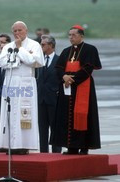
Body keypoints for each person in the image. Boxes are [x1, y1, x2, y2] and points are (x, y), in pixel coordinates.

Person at [50, 25, 102, 155]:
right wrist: (64, 76)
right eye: (69, 35)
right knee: (67, 117)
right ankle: (71, 147)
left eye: (74, 35)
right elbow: (58, 68)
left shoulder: (90, 49)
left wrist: (71, 80)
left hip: (82, 87)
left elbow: (88, 69)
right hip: (67, 90)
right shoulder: (66, 51)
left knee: (83, 116)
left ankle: (84, 146)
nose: (71, 37)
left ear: (81, 36)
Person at [0, 21, 44, 154]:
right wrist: (21, 58)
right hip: (11, 82)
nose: (17, 33)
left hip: (26, 83)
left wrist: (20, 50)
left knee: (24, 113)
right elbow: (3, 62)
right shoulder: (8, 46)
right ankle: (10, 144)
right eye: (15, 31)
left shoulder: (34, 45)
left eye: (20, 30)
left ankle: (24, 145)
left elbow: (36, 61)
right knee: (9, 112)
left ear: (26, 30)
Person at [37, 35, 62, 153]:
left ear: (51, 45)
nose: (41, 46)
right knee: (42, 129)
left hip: (54, 100)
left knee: (55, 129)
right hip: (41, 100)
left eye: (43, 44)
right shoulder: (39, 60)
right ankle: (43, 152)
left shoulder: (60, 60)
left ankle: (56, 153)